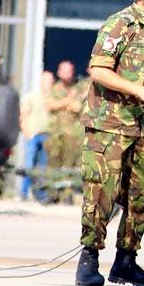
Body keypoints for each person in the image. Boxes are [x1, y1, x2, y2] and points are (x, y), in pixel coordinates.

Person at [74, 0, 144, 286]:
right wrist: (139, 91)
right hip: (110, 127)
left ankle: (126, 263)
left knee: (141, 196)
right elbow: (98, 70)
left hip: (143, 129)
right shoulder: (120, 24)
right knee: (101, 193)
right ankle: (88, 261)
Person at [46, 60, 87, 203]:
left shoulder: (77, 89)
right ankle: (52, 192)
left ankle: (66, 194)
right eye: (65, 71)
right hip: (55, 134)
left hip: (72, 134)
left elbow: (76, 107)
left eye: (70, 71)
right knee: (53, 163)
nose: (68, 74)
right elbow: (50, 105)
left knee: (69, 165)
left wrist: (63, 103)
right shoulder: (54, 89)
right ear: (59, 72)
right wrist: (67, 101)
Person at [18, 71, 54, 202]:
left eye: (51, 81)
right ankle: (23, 193)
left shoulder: (52, 98)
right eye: (46, 81)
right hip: (33, 135)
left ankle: (40, 195)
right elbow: (23, 115)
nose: (49, 84)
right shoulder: (31, 97)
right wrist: (26, 131)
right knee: (29, 164)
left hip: (46, 135)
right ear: (41, 82)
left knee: (43, 166)